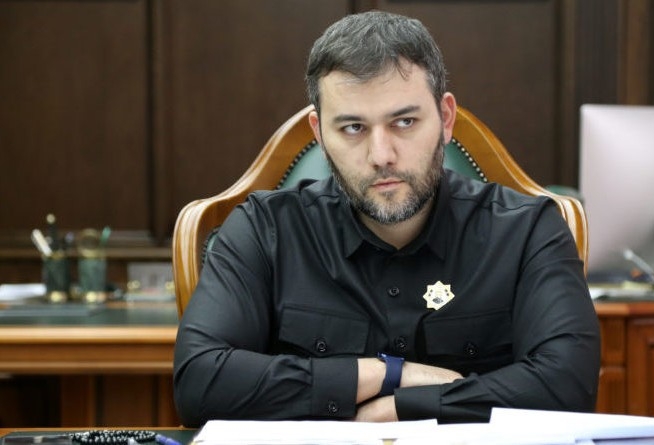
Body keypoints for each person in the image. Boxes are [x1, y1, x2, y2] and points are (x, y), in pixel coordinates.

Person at [173, 10, 600, 427]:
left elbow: (568, 387)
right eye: (353, 128)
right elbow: (199, 382)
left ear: (445, 119)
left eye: (404, 122)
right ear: (320, 134)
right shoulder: (264, 230)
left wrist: (401, 408)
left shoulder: (527, 231)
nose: (381, 156)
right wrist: (389, 374)